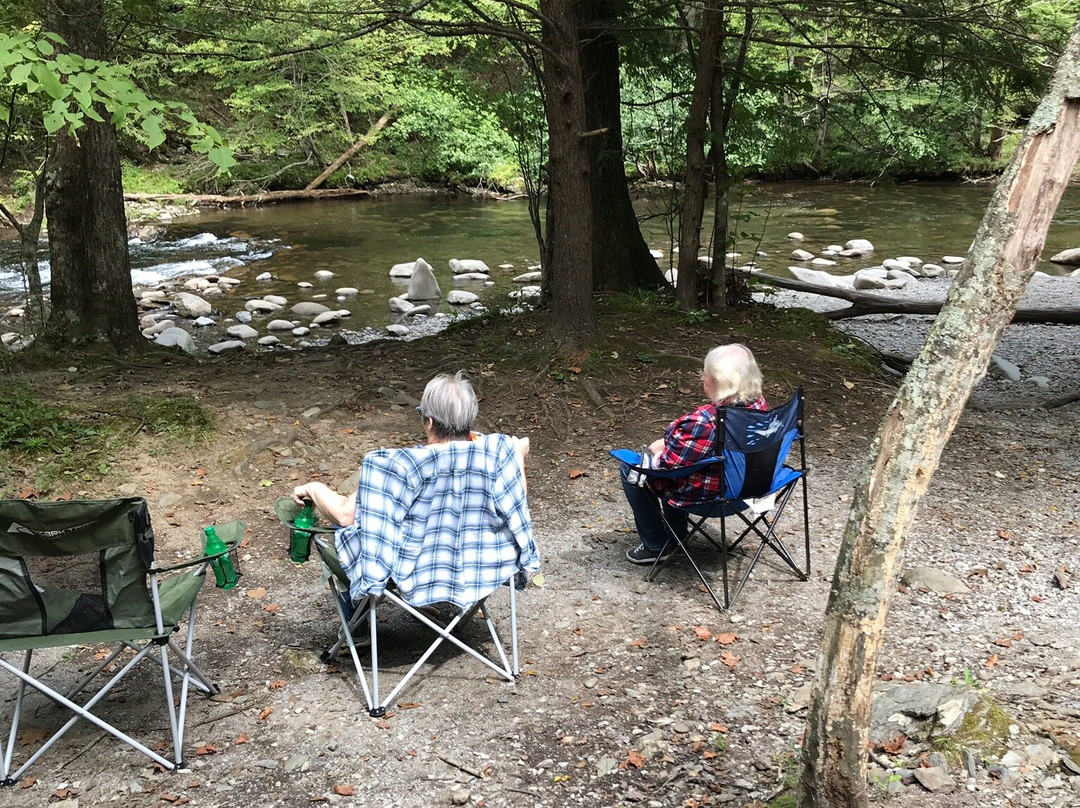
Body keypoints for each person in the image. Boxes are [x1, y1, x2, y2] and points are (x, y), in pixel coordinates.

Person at [292, 371, 535, 607]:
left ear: (429, 422)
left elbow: (345, 515)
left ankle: (357, 615)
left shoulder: (396, 465)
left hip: (413, 572)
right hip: (482, 567)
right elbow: (517, 500)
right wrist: (517, 457)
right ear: (469, 420)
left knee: (351, 524)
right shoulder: (498, 454)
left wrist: (313, 488)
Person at [621, 343, 768, 565]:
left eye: (706, 373)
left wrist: (656, 450)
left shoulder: (705, 421)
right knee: (691, 466)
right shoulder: (760, 406)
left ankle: (656, 546)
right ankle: (676, 536)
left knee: (632, 470)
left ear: (719, 380)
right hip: (753, 491)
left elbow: (669, 466)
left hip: (714, 498)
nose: (702, 377)